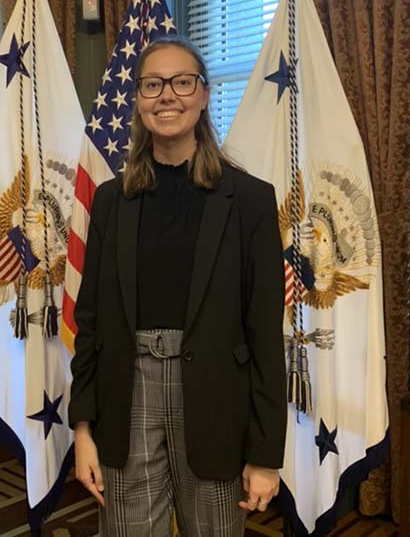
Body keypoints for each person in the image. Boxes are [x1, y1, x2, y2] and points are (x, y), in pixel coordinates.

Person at [68, 34, 287, 536]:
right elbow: (91, 323)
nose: (167, 95)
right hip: (127, 397)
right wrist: (83, 429)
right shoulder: (109, 202)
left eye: (182, 82)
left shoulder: (250, 201)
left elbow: (265, 337)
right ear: (138, 100)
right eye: (152, 85)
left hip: (213, 402)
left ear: (204, 95)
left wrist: (265, 455)